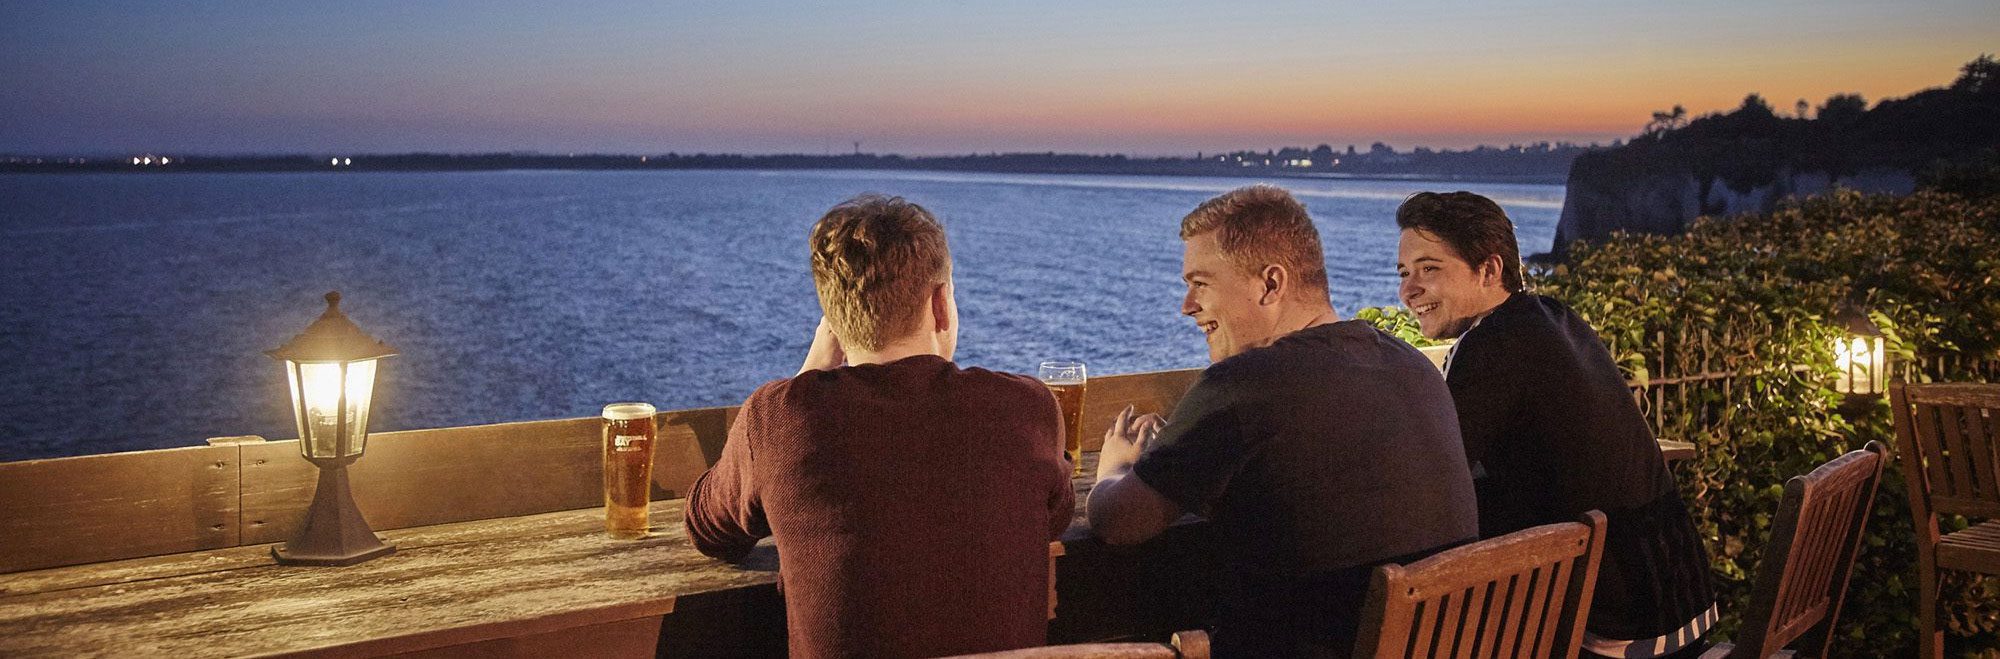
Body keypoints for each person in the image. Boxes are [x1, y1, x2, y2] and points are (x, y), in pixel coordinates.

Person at [1088, 184, 1478, 658]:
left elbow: (1118, 522)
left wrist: (1115, 467)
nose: (1187, 305)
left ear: (1271, 284)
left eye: (1201, 283)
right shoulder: (1414, 367)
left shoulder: (1244, 385)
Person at [683, 194, 1076, 659]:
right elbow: (1053, 517)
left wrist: (809, 376)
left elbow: (708, 530)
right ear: (941, 304)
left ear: (832, 320)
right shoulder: (1025, 406)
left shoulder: (781, 418)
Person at [1394, 191, 1717, 658]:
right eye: (1404, 273)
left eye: (1430, 269)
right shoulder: (1554, 318)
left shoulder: (1492, 348)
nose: (1409, 290)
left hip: (1623, 631)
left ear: (1489, 270)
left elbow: (1429, 482)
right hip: (1683, 602)